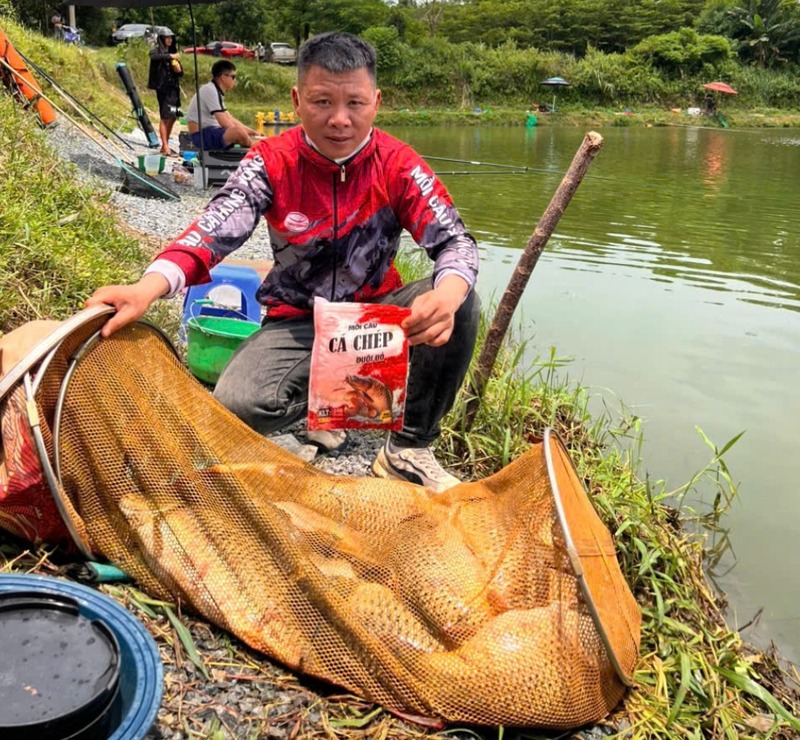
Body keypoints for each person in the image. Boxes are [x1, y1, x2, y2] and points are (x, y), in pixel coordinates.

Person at [86, 32, 480, 493]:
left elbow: (456, 243)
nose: (339, 119)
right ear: (296, 100)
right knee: (238, 404)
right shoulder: (271, 160)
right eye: (321, 101)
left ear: (376, 102)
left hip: (377, 316)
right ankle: (327, 408)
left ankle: (409, 446)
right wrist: (146, 288)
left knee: (461, 296)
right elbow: (215, 228)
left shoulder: (399, 164)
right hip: (298, 319)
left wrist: (447, 296)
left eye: (355, 103)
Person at [183, 60, 258, 150]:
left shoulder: (216, 91)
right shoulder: (210, 90)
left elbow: (229, 118)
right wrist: (243, 135)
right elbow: (224, 123)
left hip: (211, 131)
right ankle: (255, 147)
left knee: (239, 131)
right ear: (223, 77)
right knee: (238, 132)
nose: (234, 80)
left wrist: (251, 132)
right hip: (202, 135)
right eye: (233, 77)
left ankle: (251, 146)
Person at [147, 27, 183, 157]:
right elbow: (154, 56)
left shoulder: (174, 52)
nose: (169, 40)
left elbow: (180, 73)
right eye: (167, 38)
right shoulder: (157, 52)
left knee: (174, 116)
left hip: (174, 89)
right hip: (163, 89)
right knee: (165, 116)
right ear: (162, 39)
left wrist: (178, 68)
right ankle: (165, 145)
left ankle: (165, 143)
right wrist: (170, 56)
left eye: (171, 38)